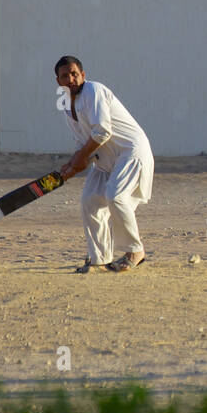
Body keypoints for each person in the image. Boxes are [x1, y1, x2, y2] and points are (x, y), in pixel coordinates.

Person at [54, 56, 154, 273]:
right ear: (58, 82)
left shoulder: (93, 91)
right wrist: (71, 166)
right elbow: (83, 146)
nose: (71, 79)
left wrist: (79, 160)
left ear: (83, 75)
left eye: (74, 74)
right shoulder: (66, 106)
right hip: (105, 160)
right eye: (65, 76)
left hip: (130, 152)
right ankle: (99, 258)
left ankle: (135, 251)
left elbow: (102, 132)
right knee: (90, 201)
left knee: (115, 197)